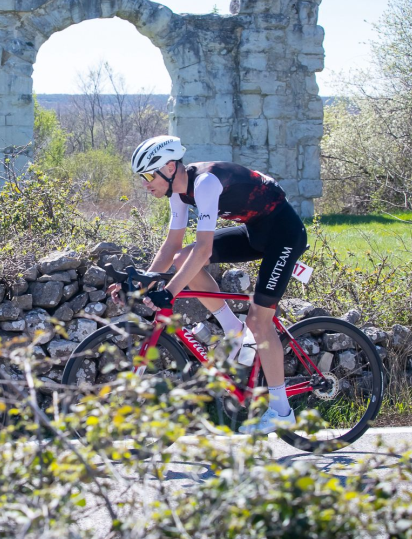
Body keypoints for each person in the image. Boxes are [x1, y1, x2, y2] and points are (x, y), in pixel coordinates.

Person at [128, 135, 308, 433]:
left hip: (285, 235)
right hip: (255, 232)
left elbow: (204, 250)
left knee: (259, 321)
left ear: (170, 168)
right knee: (181, 259)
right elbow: (172, 246)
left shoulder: (205, 183)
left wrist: (169, 291)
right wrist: (142, 282)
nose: (145, 184)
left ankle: (281, 411)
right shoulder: (177, 192)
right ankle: (233, 328)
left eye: (148, 175)